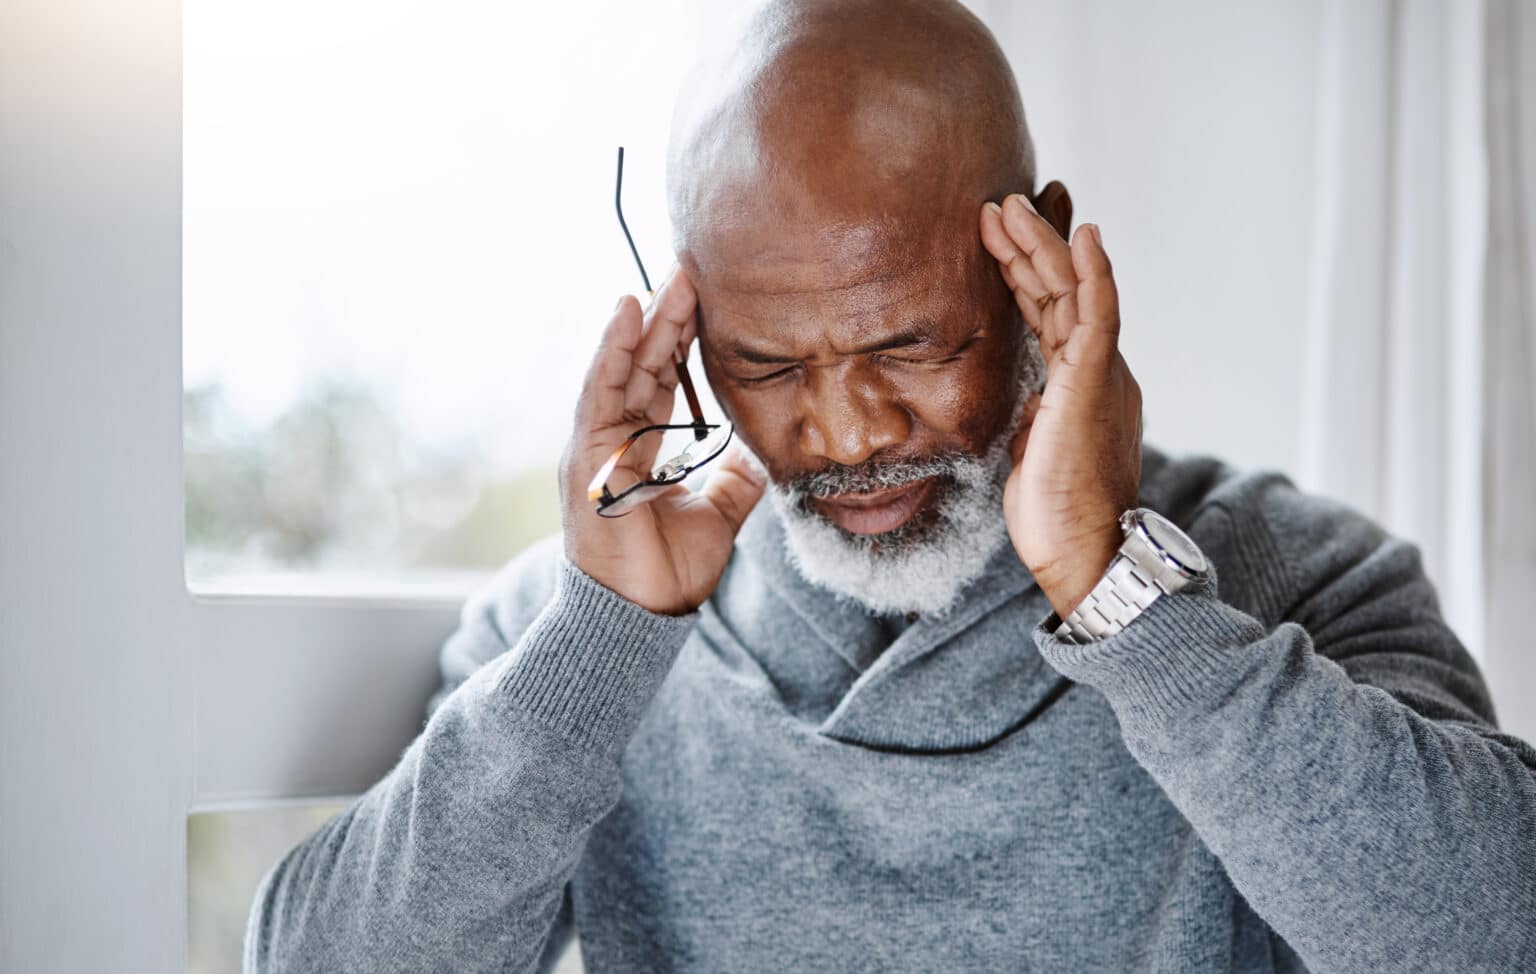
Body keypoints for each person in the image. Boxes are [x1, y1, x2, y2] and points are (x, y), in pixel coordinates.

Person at [243, 1, 1536, 971]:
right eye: (767, 362)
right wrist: (602, 637)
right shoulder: (576, 630)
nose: (850, 430)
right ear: (691, 334)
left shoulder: (1288, 568)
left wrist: (1124, 596)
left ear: (1034, 264)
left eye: (911, 345)